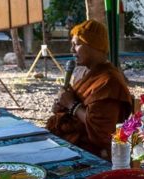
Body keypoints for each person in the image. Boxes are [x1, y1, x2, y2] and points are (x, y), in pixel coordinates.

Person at [46, 20, 132, 159]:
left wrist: (71, 105)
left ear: (94, 46)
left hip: (91, 150)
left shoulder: (109, 81)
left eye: (77, 44)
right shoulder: (82, 72)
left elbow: (103, 132)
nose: (72, 50)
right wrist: (61, 105)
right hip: (70, 140)